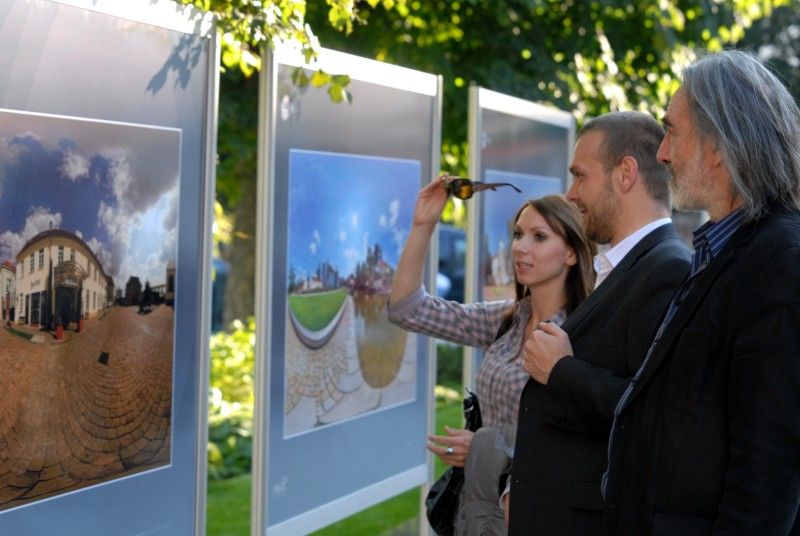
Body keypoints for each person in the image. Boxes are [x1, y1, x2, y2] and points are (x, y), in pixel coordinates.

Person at [603, 50, 800, 535]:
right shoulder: (723, 247)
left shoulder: (781, 260)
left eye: (672, 130)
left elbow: (768, 471)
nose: (662, 152)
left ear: (718, 144)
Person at [505, 111, 692, 535]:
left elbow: (656, 418)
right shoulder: (631, 264)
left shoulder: (667, 270)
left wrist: (561, 371)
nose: (571, 194)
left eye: (580, 176)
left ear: (625, 174)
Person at [388, 178, 595, 535]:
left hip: (536, 515)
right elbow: (408, 310)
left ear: (572, 253)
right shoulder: (506, 321)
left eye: (539, 237)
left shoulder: (585, 335)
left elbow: (575, 438)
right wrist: (423, 225)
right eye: (518, 235)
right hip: (478, 512)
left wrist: (482, 447)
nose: (520, 248)